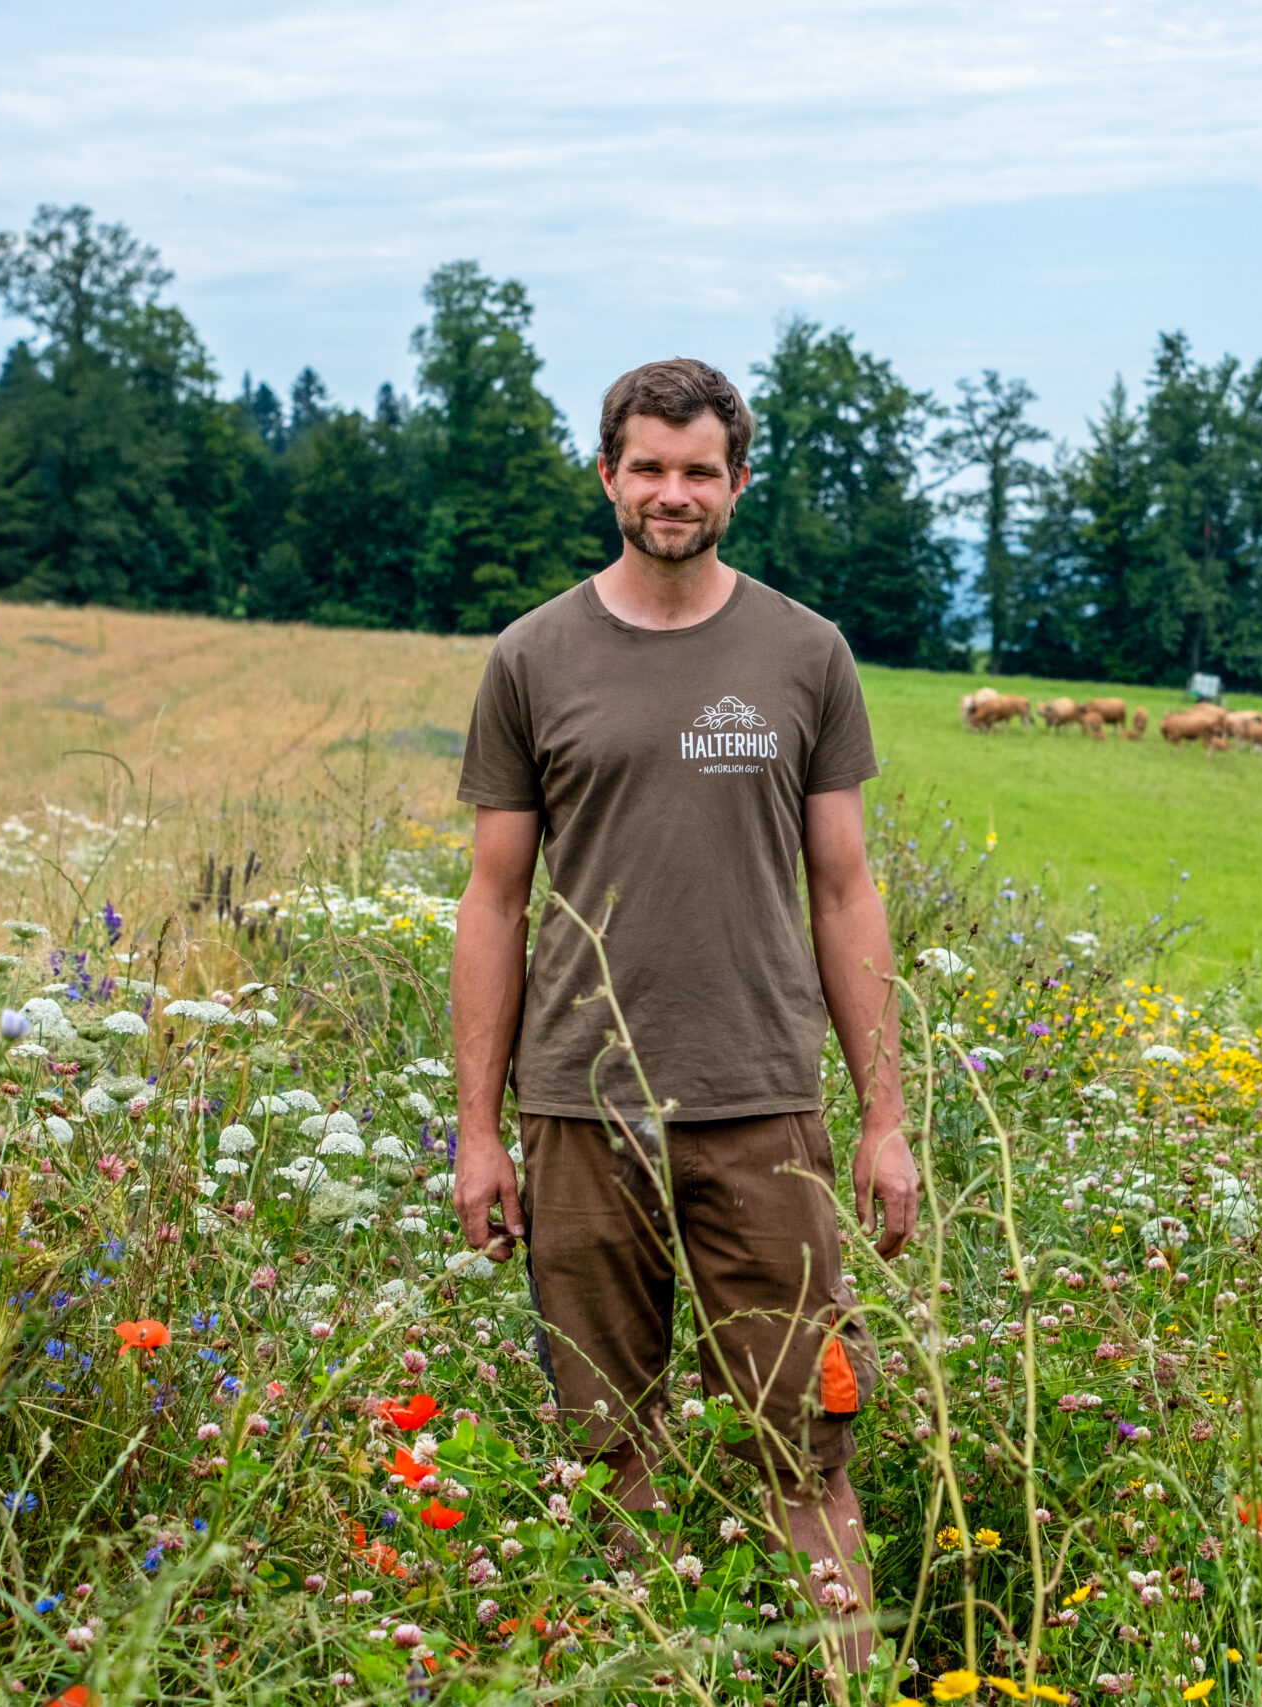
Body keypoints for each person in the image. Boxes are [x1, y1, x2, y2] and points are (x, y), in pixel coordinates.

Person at [449, 357, 918, 1658]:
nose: (672, 491)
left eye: (698, 469)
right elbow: (492, 902)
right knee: (609, 1454)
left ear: (737, 483)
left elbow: (845, 891)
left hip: (763, 1110)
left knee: (805, 1447)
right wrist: (478, 1132)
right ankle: (642, 1678)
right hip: (580, 1116)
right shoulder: (532, 659)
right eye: (647, 467)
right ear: (607, 475)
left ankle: (847, 1681)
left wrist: (882, 1121)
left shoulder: (803, 654)